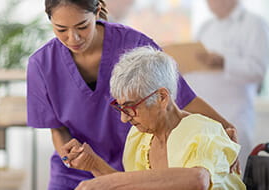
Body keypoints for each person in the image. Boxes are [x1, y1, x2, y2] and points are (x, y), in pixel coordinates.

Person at [27, 0, 238, 188]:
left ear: (97, 11)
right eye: (61, 29)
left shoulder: (134, 46)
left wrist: (224, 130)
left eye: (82, 26)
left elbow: (181, 96)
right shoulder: (42, 64)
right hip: (74, 171)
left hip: (131, 168)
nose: (72, 38)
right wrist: (71, 156)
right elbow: (57, 129)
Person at [66, 46, 245, 189]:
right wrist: (94, 165)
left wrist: (109, 183)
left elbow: (198, 180)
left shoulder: (204, 131)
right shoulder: (139, 138)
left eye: (130, 107)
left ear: (162, 97)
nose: (124, 118)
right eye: (120, 107)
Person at [184, 0, 269, 167]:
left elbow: (258, 70)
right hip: (202, 118)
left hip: (234, 117)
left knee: (233, 173)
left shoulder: (254, 25)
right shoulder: (206, 27)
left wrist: (224, 62)